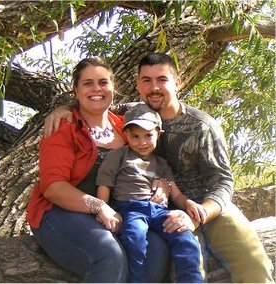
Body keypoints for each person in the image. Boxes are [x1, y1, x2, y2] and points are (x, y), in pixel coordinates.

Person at [44, 53, 274, 283]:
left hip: (203, 205)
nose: (154, 87)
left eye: (162, 80)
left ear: (178, 81)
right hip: (155, 211)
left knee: (253, 265)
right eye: (146, 80)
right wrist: (63, 109)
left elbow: (223, 180)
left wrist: (197, 216)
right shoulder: (132, 115)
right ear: (137, 85)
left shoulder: (201, 126)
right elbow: (93, 101)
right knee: (168, 264)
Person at [26, 57, 175, 283]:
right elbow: (53, 187)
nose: (97, 89)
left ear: (113, 89)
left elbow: (155, 162)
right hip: (59, 213)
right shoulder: (64, 126)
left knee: (156, 251)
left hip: (119, 213)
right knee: (110, 255)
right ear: (76, 90)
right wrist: (98, 206)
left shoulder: (127, 127)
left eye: (103, 82)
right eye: (88, 83)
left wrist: (164, 182)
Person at [96, 103, 205, 283]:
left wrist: (188, 204)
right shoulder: (119, 155)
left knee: (184, 237)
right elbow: (105, 184)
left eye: (148, 135)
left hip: (159, 211)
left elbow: (175, 194)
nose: (142, 142)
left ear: (158, 135)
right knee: (135, 239)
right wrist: (103, 210)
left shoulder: (161, 164)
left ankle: (191, 280)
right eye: (136, 136)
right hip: (131, 208)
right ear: (127, 135)